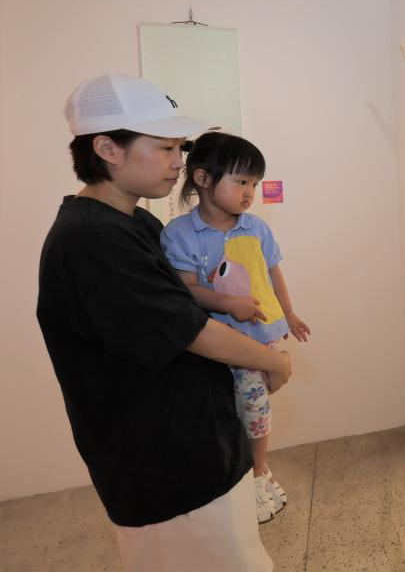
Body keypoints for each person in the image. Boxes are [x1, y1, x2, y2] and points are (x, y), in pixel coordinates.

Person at [37, 73, 292, 571]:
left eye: (181, 148)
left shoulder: (136, 222)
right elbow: (190, 331)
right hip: (167, 470)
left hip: (198, 450)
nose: (180, 162)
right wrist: (275, 363)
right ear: (108, 148)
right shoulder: (92, 238)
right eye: (165, 147)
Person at [161, 132, 311, 524]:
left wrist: (289, 313)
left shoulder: (256, 228)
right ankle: (242, 477)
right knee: (227, 413)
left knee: (256, 407)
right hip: (212, 345)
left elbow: (273, 272)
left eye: (255, 184)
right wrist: (228, 304)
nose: (249, 193)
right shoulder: (178, 234)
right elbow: (186, 290)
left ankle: (258, 471)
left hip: (259, 338)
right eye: (241, 181)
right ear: (203, 178)